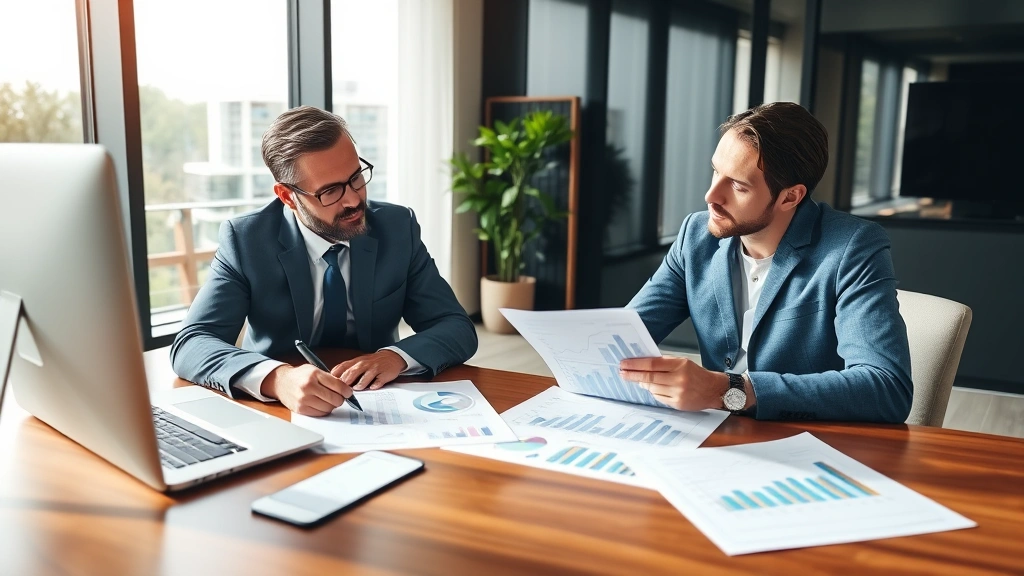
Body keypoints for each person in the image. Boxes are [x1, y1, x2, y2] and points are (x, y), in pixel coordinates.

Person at [171, 106, 477, 416]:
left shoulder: (397, 228)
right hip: (280, 409)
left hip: (379, 400)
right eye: (330, 191)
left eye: (356, 177)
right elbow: (191, 343)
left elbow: (457, 327)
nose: (354, 200)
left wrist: (393, 358)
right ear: (288, 197)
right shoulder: (246, 240)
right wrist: (277, 379)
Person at [619, 102, 912, 423]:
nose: (711, 196)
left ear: (790, 197)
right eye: (716, 171)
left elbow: (886, 388)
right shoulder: (695, 235)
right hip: (711, 435)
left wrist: (727, 390)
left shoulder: (852, 246)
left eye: (738, 185)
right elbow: (621, 338)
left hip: (803, 440)